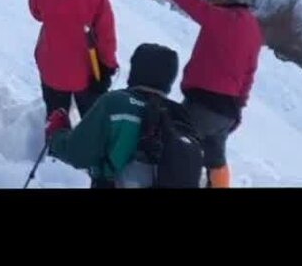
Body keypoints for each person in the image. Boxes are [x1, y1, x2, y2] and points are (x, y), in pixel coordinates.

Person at [125, 0, 263, 188]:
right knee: (215, 160)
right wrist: (237, 110)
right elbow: (249, 73)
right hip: (226, 110)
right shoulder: (252, 27)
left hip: (204, 106)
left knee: (176, 152)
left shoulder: (221, 18)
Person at [44, 42, 204, 188]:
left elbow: (77, 153)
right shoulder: (180, 116)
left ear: (136, 70)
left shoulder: (116, 103)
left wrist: (57, 132)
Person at [29, 0, 118, 123]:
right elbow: (106, 33)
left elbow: (37, 14)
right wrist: (108, 66)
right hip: (86, 70)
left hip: (50, 65)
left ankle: (55, 148)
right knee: (92, 124)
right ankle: (87, 150)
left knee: (56, 120)